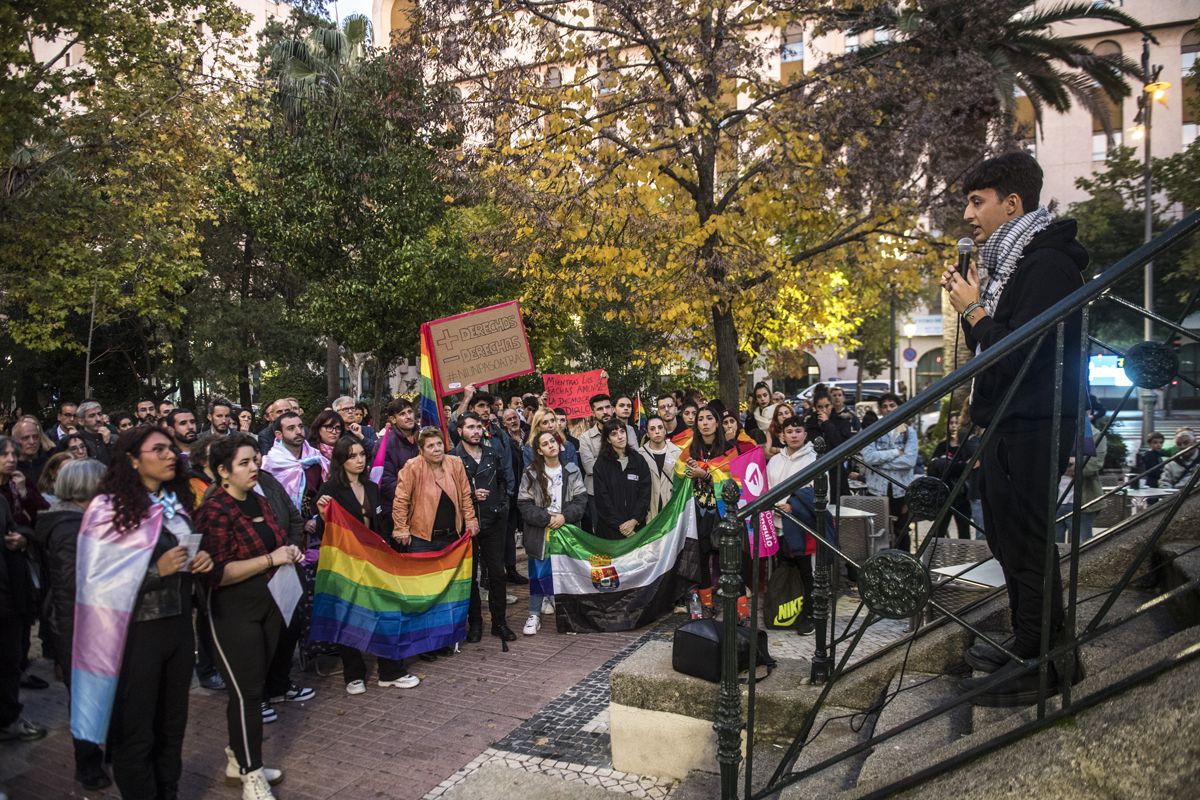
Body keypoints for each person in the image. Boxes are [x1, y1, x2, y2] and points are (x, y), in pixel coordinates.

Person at [941, 151, 1088, 705]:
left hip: (1035, 422)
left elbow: (1013, 351)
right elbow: (994, 347)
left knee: (1026, 539)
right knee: (1006, 536)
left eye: (977, 203)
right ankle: (1032, 639)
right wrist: (975, 308)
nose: (969, 216)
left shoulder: (1045, 264)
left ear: (1013, 203)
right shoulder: (1010, 265)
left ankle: (1046, 658)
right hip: (1009, 423)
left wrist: (975, 310)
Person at [74, 426, 213, 799]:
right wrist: (156, 571)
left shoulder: (174, 504)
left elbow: (179, 555)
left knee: (172, 726)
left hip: (179, 628)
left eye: (171, 449)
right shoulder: (108, 509)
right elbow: (94, 581)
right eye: (159, 450)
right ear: (133, 459)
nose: (171, 455)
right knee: (136, 731)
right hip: (135, 635)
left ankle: (168, 791)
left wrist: (197, 561)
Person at [195, 434, 297, 799]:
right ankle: (251, 775)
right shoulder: (214, 510)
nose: (254, 467)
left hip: (270, 602)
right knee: (248, 693)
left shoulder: (259, 499)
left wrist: (288, 550)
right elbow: (218, 572)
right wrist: (272, 559)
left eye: (255, 460)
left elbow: (277, 536)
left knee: (250, 689)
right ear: (223, 471)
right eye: (244, 463)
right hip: (233, 610)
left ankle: (239, 757)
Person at [314, 436, 420, 693]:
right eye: (352, 456)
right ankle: (353, 675)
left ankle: (390, 670)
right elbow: (323, 532)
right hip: (346, 566)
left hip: (375, 562)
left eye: (362, 454)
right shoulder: (330, 491)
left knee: (386, 613)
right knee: (349, 616)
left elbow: (380, 524)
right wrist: (321, 514)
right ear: (341, 460)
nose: (359, 460)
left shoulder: (372, 488)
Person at [30, 458, 109, 789]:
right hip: (77, 627)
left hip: (91, 620)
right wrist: (70, 645)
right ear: (85, 488)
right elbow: (68, 589)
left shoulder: (83, 519)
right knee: (85, 698)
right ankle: (88, 765)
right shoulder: (67, 528)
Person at [391, 428, 478, 659]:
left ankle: (441, 640)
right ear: (421, 449)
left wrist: (470, 520)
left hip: (451, 538)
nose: (436, 449)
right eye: (430, 446)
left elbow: (466, 495)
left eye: (439, 444)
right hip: (422, 538)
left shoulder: (455, 463)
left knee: (446, 592)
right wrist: (401, 527)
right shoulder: (412, 467)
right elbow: (401, 500)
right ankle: (423, 644)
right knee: (424, 594)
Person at [452, 413, 516, 642]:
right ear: (460, 431)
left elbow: (503, 481)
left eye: (479, 426)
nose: (476, 431)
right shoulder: (453, 458)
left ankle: (499, 623)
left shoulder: (492, 453)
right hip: (467, 526)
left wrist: (502, 505)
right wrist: (470, 495)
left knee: (498, 574)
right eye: (470, 427)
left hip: (494, 521)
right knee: (469, 577)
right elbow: (449, 493)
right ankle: (475, 623)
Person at [517, 431, 587, 636]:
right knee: (538, 573)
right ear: (539, 450)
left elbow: (581, 501)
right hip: (541, 533)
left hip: (566, 531)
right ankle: (534, 614)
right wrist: (547, 519)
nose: (551, 445)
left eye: (553, 441)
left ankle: (568, 614)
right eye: (545, 444)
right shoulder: (531, 472)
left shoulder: (572, 470)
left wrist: (564, 516)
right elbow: (524, 504)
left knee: (567, 572)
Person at [1, 493, 47, 746]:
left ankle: (7, 721)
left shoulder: (2, 501)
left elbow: (14, 530)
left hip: (7, 598)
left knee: (9, 663)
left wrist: (21, 538)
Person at [766, 417, 817, 634]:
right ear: (782, 436)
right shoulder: (775, 461)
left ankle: (810, 613)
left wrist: (793, 506)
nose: (794, 435)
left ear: (805, 434)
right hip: (778, 524)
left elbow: (817, 492)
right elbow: (768, 487)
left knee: (807, 570)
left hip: (802, 524)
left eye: (798, 430)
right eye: (789, 431)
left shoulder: (814, 459)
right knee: (785, 568)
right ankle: (787, 608)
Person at [858, 393, 917, 553]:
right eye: (885, 406)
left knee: (902, 531)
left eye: (892, 405)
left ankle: (904, 562)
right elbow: (869, 457)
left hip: (901, 490)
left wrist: (881, 462)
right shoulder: (874, 430)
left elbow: (909, 461)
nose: (888, 409)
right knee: (878, 531)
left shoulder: (909, 432)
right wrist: (897, 452)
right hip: (877, 489)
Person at [681, 406, 728, 598]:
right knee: (701, 558)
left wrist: (706, 475)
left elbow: (733, 482)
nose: (705, 423)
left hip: (722, 513)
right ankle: (706, 604)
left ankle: (738, 610)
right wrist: (690, 471)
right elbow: (679, 474)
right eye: (701, 419)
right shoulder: (690, 449)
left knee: (729, 559)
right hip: (699, 512)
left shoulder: (730, 449)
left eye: (710, 418)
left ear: (717, 423)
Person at [578, 394, 639, 531]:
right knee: (602, 533)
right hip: (597, 494)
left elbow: (635, 459)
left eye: (607, 407)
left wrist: (602, 461)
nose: (605, 411)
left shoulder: (628, 430)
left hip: (626, 490)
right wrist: (619, 457)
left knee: (628, 530)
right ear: (593, 413)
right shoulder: (585, 437)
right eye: (600, 409)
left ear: (612, 409)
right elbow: (590, 468)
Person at [1055, 403, 1108, 544]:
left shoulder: (1097, 436)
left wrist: (1063, 466)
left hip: (1082, 500)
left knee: (1082, 547)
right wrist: (1071, 463)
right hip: (1055, 500)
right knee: (1053, 546)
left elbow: (1093, 466)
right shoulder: (1056, 432)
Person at [592, 419, 651, 540]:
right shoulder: (601, 464)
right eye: (614, 434)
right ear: (608, 439)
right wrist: (621, 525)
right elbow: (602, 499)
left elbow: (645, 493)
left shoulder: (638, 460)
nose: (620, 436)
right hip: (610, 531)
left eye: (622, 431)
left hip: (636, 528)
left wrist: (634, 520)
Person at [929, 413, 977, 540]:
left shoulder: (967, 446)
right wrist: (958, 465)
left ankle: (962, 559)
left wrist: (948, 465)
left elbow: (968, 467)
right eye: (951, 423)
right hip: (944, 494)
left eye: (957, 422)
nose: (954, 426)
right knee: (939, 530)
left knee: (964, 531)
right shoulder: (942, 446)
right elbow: (933, 467)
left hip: (962, 495)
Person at [638, 415, 681, 518]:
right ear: (647, 433)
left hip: (672, 507)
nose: (657, 431)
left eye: (660, 428)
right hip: (649, 509)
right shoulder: (639, 455)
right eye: (652, 429)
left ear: (665, 430)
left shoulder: (677, 453)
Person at [10, 416, 53, 486]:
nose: (32, 442)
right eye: (25, 438)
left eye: (35, 437)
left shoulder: (49, 465)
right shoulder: (10, 468)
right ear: (15, 440)